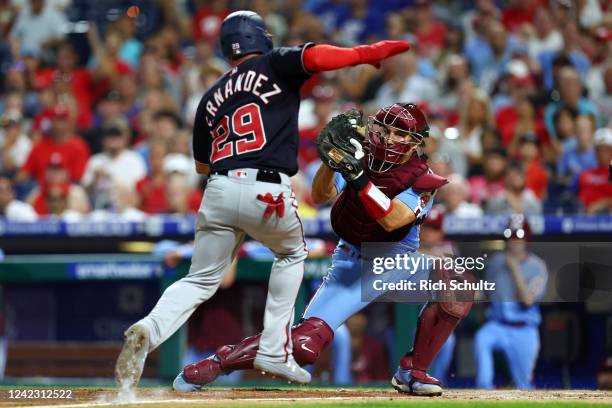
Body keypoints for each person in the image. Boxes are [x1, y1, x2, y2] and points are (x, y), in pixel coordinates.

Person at [114, 10, 412, 391]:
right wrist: (365, 53)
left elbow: (203, 165)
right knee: (292, 253)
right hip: (267, 186)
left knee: (200, 278)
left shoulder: (209, 97)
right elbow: (317, 57)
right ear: (260, 38)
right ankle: (273, 347)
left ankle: (149, 328)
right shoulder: (274, 63)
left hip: (217, 189)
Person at [174, 103, 472, 396]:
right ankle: (220, 361)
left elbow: (393, 219)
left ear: (414, 143)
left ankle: (412, 372)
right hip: (353, 263)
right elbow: (319, 195)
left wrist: (358, 179)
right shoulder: (360, 155)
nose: (389, 138)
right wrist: (331, 163)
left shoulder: (423, 177)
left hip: (395, 262)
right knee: (303, 347)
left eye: (399, 134)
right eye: (385, 129)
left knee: (457, 282)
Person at [475, 215, 548, 389]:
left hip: (524, 329)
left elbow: (528, 301)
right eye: (511, 237)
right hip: (497, 326)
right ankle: (485, 388)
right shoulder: (495, 262)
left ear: (526, 240)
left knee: (524, 385)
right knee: (482, 338)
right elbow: (485, 292)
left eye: (519, 237)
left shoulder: (538, 266)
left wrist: (515, 268)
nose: (514, 242)